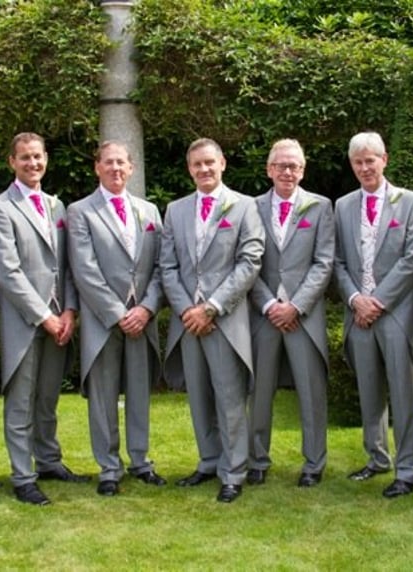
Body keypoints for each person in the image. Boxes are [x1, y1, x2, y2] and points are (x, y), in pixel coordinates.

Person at [0, 132, 89, 506]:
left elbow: (68, 266)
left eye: (38, 156)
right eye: (25, 157)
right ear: (12, 162)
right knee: (21, 402)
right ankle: (23, 476)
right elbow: (7, 272)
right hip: (26, 322)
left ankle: (48, 461)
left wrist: (70, 311)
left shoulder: (57, 207)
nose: (33, 163)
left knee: (47, 398)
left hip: (60, 319)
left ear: (46, 159)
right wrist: (45, 317)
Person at [160, 137, 265, 503]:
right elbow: (167, 266)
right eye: (197, 164)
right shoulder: (175, 210)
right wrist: (187, 309)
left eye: (209, 162)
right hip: (188, 321)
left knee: (229, 397)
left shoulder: (245, 206)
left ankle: (234, 471)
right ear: (189, 169)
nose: (204, 169)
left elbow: (250, 261)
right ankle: (208, 461)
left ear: (222, 164)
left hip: (225, 319)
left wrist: (213, 307)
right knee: (199, 396)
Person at [67, 141, 167, 497]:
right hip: (103, 320)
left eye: (121, 162)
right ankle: (109, 468)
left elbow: (162, 266)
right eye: (108, 162)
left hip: (142, 318)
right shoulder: (80, 211)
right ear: (97, 167)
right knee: (103, 396)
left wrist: (147, 308)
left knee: (139, 392)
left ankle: (141, 461)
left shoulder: (149, 211)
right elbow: (84, 269)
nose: (115, 168)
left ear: (131, 167)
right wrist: (118, 313)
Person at [333, 131, 413, 498]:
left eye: (370, 160)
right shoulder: (342, 206)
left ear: (384, 160)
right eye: (358, 162)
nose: (364, 167)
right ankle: (377, 458)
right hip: (358, 313)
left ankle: (408, 470)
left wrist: (378, 301)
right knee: (368, 390)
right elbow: (337, 261)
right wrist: (357, 299)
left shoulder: (411, 202)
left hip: (395, 312)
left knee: (402, 393)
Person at [247, 139, 334, 487]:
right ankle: (257, 460)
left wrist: (296, 306)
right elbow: (246, 261)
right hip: (264, 314)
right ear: (269, 170)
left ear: (303, 170)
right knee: (259, 391)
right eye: (281, 165)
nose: (287, 171)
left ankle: (314, 463)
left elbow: (323, 262)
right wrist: (270, 304)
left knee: (311, 393)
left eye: (294, 166)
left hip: (304, 316)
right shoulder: (250, 207)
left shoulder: (320, 207)